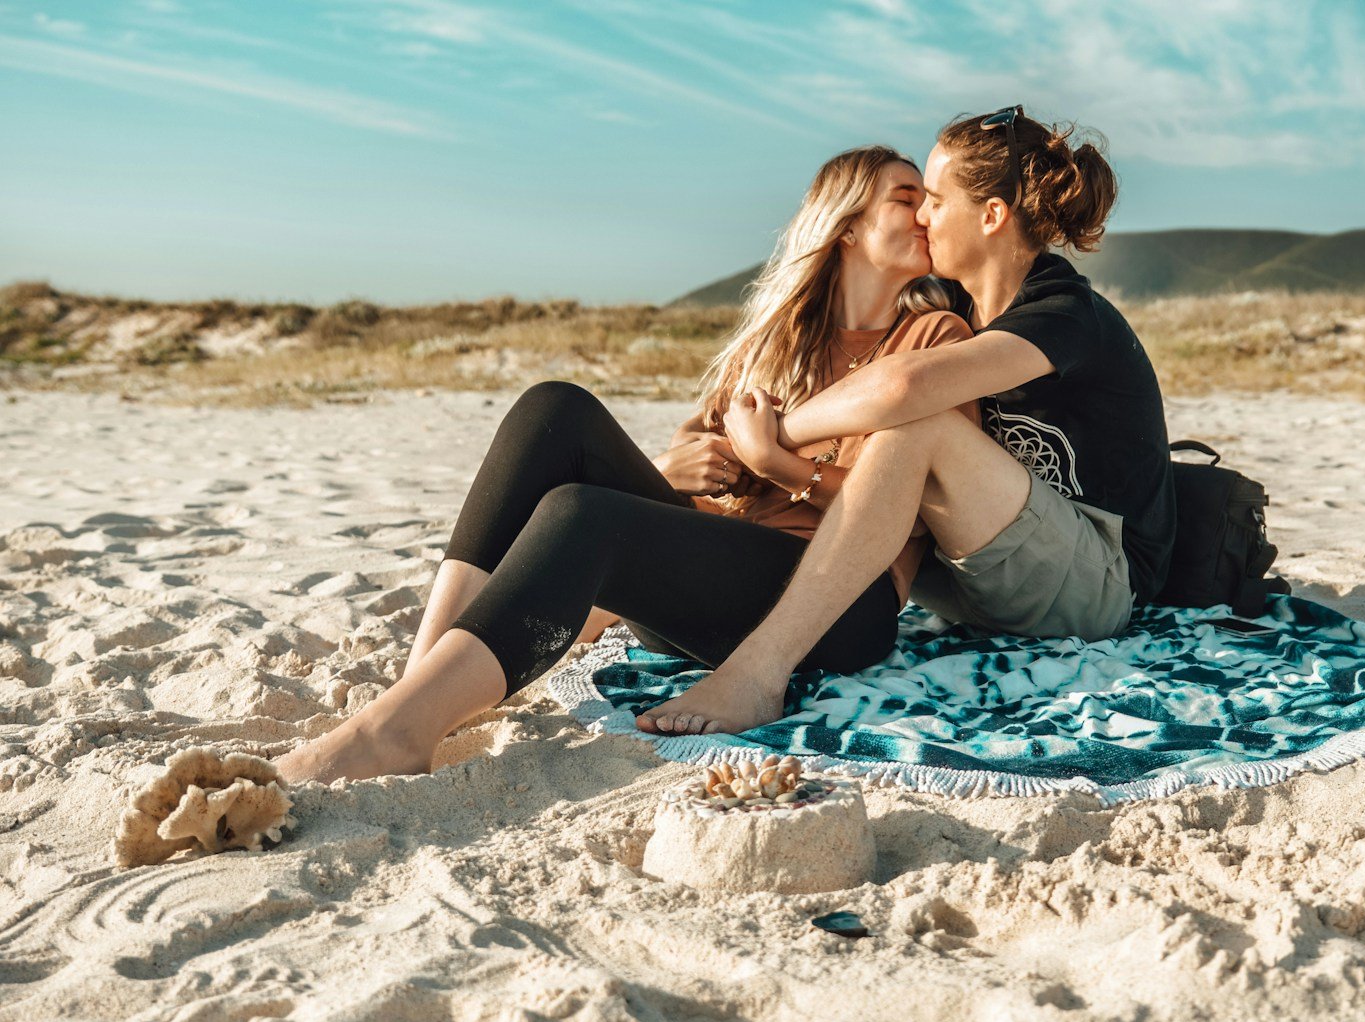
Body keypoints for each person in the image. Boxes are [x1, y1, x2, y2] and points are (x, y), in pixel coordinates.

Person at [275, 145, 978, 785]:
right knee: (553, 409)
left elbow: (921, 509)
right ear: (847, 224)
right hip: (708, 586)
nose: (927, 211)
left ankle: (398, 729)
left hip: (838, 605)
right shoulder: (775, 347)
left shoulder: (935, 337)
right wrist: (675, 468)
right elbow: (695, 455)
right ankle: (420, 688)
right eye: (906, 195)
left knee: (582, 515)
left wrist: (778, 463)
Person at [640, 105, 1176, 737]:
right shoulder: (957, 304)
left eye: (936, 200)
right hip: (972, 569)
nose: (922, 215)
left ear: (993, 216)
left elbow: (900, 387)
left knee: (921, 420)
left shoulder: (1063, 313)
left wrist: (775, 442)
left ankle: (759, 674)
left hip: (1093, 584)